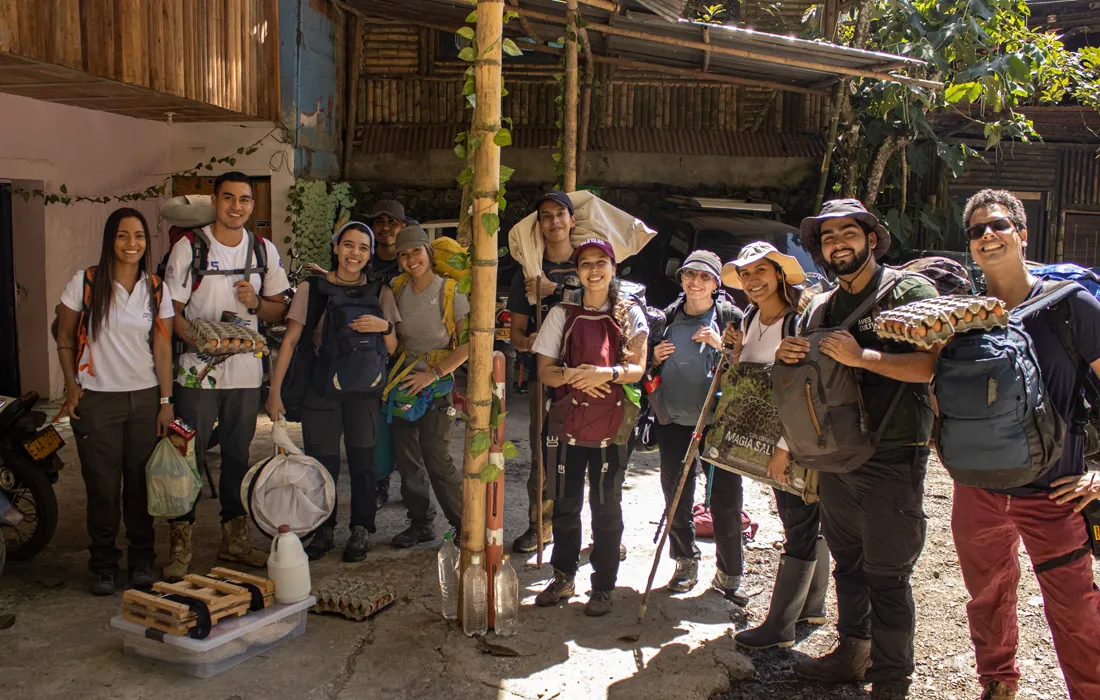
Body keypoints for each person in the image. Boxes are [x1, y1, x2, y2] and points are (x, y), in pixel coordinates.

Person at [777, 199, 938, 700]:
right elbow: (811, 379)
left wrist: (863, 356)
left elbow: (931, 366)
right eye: (827, 238)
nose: (838, 244)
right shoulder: (822, 307)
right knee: (848, 562)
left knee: (888, 573)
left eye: (848, 233)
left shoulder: (909, 292)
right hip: (837, 455)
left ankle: (892, 680)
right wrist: (790, 356)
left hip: (894, 453)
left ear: (871, 238)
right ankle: (853, 653)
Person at [952, 189, 1100, 700]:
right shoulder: (967, 318)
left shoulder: (1070, 307)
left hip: (1054, 490)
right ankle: (997, 682)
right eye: (976, 231)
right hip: (978, 489)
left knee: (1076, 607)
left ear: (1022, 234)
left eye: (997, 225)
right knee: (986, 597)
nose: (986, 236)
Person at [162, 171, 290, 581]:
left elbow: (279, 310)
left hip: (245, 373)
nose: (237, 207)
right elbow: (173, 315)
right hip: (195, 374)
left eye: (245, 200)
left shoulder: (263, 251)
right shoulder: (189, 248)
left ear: (253, 205)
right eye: (229, 198)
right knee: (188, 456)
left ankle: (233, 537)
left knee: (237, 455)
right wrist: (201, 342)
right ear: (215, 201)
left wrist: (257, 304)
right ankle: (180, 541)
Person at [55, 208, 176, 595]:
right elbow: (65, 337)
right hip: (97, 400)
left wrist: (165, 400)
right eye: (123, 236)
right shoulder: (85, 282)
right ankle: (104, 564)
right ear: (110, 239)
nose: (131, 244)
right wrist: (71, 385)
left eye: (138, 236)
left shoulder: (156, 287)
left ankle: (142, 560)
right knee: (103, 488)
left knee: (141, 486)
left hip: (143, 400)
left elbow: (161, 346)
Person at [266, 222, 399, 562]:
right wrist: (275, 391)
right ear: (336, 247)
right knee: (320, 464)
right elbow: (292, 340)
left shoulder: (380, 291)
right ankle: (323, 528)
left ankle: (361, 530)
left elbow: (394, 345)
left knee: (363, 462)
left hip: (364, 390)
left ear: (370, 254)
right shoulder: (312, 289)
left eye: (363, 248)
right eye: (349, 245)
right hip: (319, 387)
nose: (355, 253)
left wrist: (384, 326)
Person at [722, 242, 831, 648]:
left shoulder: (797, 324)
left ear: (780, 274)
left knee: (799, 516)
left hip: (795, 439)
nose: (752, 281)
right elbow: (746, 377)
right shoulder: (750, 317)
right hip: (766, 438)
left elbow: (806, 391)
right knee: (800, 515)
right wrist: (732, 351)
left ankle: (780, 627)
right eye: (745, 274)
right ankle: (812, 605)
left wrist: (784, 447)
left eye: (760, 271)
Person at [532, 238, 649, 617]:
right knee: (565, 504)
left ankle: (603, 586)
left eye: (602, 263)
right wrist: (577, 377)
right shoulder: (561, 314)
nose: (594, 270)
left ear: (614, 268)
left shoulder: (630, 312)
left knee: (605, 506)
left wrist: (604, 373)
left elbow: (637, 368)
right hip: (567, 420)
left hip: (612, 424)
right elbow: (545, 372)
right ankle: (564, 576)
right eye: (586, 264)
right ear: (576, 270)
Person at [647, 250, 742, 594]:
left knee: (725, 498)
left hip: (717, 423)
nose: (696, 282)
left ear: (717, 284)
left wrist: (722, 346)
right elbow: (643, 362)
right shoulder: (667, 317)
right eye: (690, 275)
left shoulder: (731, 319)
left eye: (705, 277)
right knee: (676, 495)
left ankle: (730, 572)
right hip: (672, 420)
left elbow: (747, 368)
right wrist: (653, 358)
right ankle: (685, 561)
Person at [386, 224, 469, 547]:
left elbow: (467, 346)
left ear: (429, 253)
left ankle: (464, 525)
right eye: (403, 255)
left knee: (437, 457)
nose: (411, 260)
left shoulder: (450, 292)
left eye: (416, 251)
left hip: (436, 387)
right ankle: (420, 522)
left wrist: (432, 374)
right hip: (403, 385)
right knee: (408, 461)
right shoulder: (397, 289)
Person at [507, 191, 580, 553]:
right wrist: (530, 342)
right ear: (540, 225)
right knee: (544, 454)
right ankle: (541, 527)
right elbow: (516, 334)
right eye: (546, 216)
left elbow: (609, 307)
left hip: (587, 377)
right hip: (543, 380)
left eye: (560, 214)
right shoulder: (529, 275)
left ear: (572, 219)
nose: (554, 222)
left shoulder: (590, 265)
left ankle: (596, 535)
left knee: (593, 454)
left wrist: (561, 291)